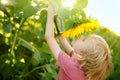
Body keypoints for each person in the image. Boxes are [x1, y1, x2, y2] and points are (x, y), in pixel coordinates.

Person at [45, 5, 113, 80]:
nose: (82, 36)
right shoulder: (79, 63)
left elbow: (49, 37)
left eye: (84, 40)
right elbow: (62, 38)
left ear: (83, 54)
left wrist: (50, 13)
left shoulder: (70, 66)